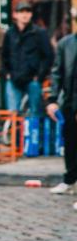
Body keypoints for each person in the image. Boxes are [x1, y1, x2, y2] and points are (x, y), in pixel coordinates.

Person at [2, 2, 53, 117]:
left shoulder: (39, 33)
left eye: (28, 12)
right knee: (13, 114)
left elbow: (48, 56)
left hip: (32, 80)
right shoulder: (9, 33)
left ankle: (32, 135)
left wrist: (39, 76)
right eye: (22, 12)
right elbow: (4, 55)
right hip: (14, 79)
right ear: (15, 15)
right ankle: (17, 135)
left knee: (35, 112)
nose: (25, 15)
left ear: (31, 15)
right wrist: (7, 74)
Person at [48, 26, 77, 196]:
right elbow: (57, 73)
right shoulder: (66, 43)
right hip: (69, 102)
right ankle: (70, 179)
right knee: (70, 141)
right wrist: (52, 99)